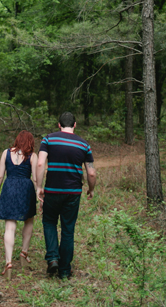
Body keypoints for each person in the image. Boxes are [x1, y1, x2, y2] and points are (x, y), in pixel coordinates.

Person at [36, 112, 96, 279]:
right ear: (75, 125)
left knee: (49, 222)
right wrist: (91, 190)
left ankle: (53, 258)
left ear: (59, 124)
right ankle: (64, 270)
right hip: (73, 193)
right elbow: (91, 173)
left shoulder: (48, 139)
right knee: (68, 229)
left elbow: (40, 163)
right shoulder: (84, 144)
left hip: (52, 190)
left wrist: (39, 187)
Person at [0, 130, 38, 278]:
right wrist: (39, 190)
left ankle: (8, 262)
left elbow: (0, 175)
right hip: (26, 188)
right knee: (29, 220)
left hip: (9, 187)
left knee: (10, 226)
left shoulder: (5, 153)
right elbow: (36, 178)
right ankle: (24, 253)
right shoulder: (32, 155)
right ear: (30, 142)